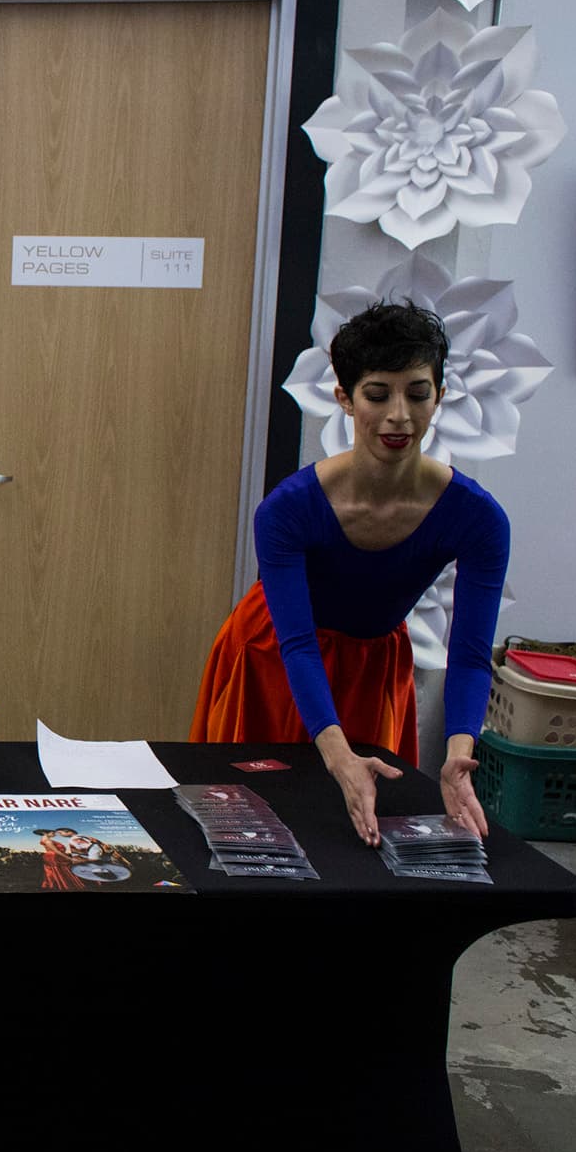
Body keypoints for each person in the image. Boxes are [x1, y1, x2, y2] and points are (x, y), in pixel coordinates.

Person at [191, 301, 510, 847]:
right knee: (252, 823)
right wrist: (335, 754)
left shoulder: (478, 517)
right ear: (344, 398)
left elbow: (471, 653)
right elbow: (297, 642)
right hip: (271, 658)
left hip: (374, 663)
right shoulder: (289, 508)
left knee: (360, 836)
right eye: (377, 393)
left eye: (417, 392)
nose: (399, 416)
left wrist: (459, 754)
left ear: (440, 394)